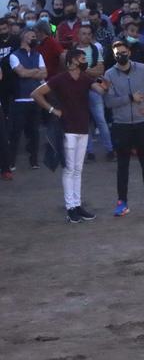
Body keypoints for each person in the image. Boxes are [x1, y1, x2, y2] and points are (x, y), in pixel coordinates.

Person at [30, 50, 108, 223]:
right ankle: (71, 206)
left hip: (82, 127)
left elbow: (102, 91)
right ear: (73, 60)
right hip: (68, 128)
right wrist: (53, 110)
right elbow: (36, 94)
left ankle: (76, 205)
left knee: (77, 169)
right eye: (82, 58)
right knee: (70, 168)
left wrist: (104, 81)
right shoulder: (60, 78)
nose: (84, 61)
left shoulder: (85, 78)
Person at [102, 40, 144, 216]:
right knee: (123, 165)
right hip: (121, 125)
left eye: (123, 52)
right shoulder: (109, 75)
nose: (120, 55)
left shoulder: (142, 69)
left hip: (141, 123)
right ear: (114, 56)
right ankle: (122, 202)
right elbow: (109, 102)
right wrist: (129, 98)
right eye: (117, 53)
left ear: (129, 52)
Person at [73, 25, 113, 162]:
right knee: (85, 122)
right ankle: (89, 151)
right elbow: (73, 71)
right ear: (78, 35)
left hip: (94, 89)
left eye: (89, 33)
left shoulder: (95, 49)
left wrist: (84, 70)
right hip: (79, 90)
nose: (87, 36)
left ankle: (110, 149)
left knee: (101, 120)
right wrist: (90, 71)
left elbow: (100, 70)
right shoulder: (73, 51)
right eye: (84, 33)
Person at [9, 29, 45, 170]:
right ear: (23, 37)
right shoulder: (14, 55)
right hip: (20, 100)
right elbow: (21, 73)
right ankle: (11, 161)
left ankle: (34, 160)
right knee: (16, 132)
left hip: (35, 99)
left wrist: (31, 72)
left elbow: (44, 73)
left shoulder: (38, 54)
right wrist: (35, 71)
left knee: (34, 132)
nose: (34, 38)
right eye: (32, 36)